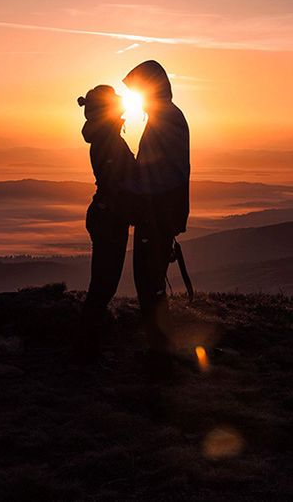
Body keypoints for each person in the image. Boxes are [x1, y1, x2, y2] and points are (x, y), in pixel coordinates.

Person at [123, 61, 190, 374]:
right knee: (150, 282)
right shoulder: (166, 117)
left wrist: (130, 186)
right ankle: (159, 349)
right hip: (159, 214)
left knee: (149, 282)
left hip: (157, 215)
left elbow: (165, 174)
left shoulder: (166, 120)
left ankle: (160, 356)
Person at [72, 85, 136, 363]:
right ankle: (86, 347)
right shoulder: (108, 138)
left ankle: (88, 343)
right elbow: (117, 182)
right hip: (110, 217)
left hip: (105, 214)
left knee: (103, 281)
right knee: (103, 284)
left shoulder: (103, 136)